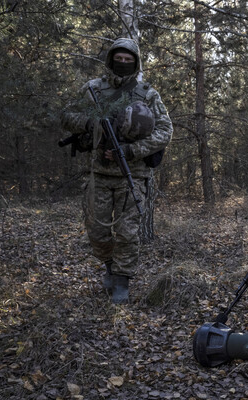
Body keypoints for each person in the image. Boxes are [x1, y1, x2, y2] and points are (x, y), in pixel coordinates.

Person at [60, 38, 173, 304]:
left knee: (127, 232)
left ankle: (122, 280)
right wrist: (91, 123)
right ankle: (110, 266)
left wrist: (133, 151)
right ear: (110, 60)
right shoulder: (93, 90)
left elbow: (165, 131)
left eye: (128, 60)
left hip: (132, 175)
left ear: (135, 62)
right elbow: (66, 116)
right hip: (99, 174)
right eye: (118, 59)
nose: (123, 63)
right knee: (97, 231)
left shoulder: (147, 93)